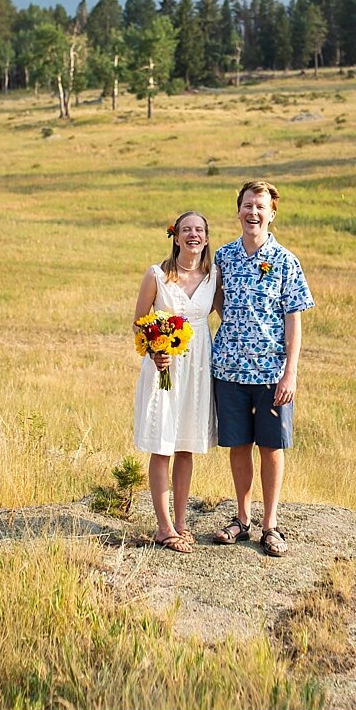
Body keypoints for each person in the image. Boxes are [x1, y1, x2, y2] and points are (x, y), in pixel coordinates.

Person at [209, 180, 314, 557]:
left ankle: (270, 525)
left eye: (260, 206)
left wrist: (291, 372)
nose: (253, 212)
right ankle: (242, 518)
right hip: (229, 370)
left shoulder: (286, 261)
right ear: (238, 210)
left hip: (272, 374)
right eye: (248, 205)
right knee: (238, 445)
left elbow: (294, 319)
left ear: (272, 214)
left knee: (271, 447)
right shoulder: (223, 257)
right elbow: (215, 298)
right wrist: (238, 327)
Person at [131, 211, 220, 553]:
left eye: (199, 230)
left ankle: (181, 522)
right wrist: (154, 349)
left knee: (186, 445)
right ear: (176, 237)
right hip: (164, 367)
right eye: (187, 230)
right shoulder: (157, 275)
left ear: (207, 238)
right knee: (163, 443)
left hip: (198, 368)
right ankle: (164, 527)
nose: (193, 235)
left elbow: (227, 316)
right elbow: (139, 322)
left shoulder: (214, 277)